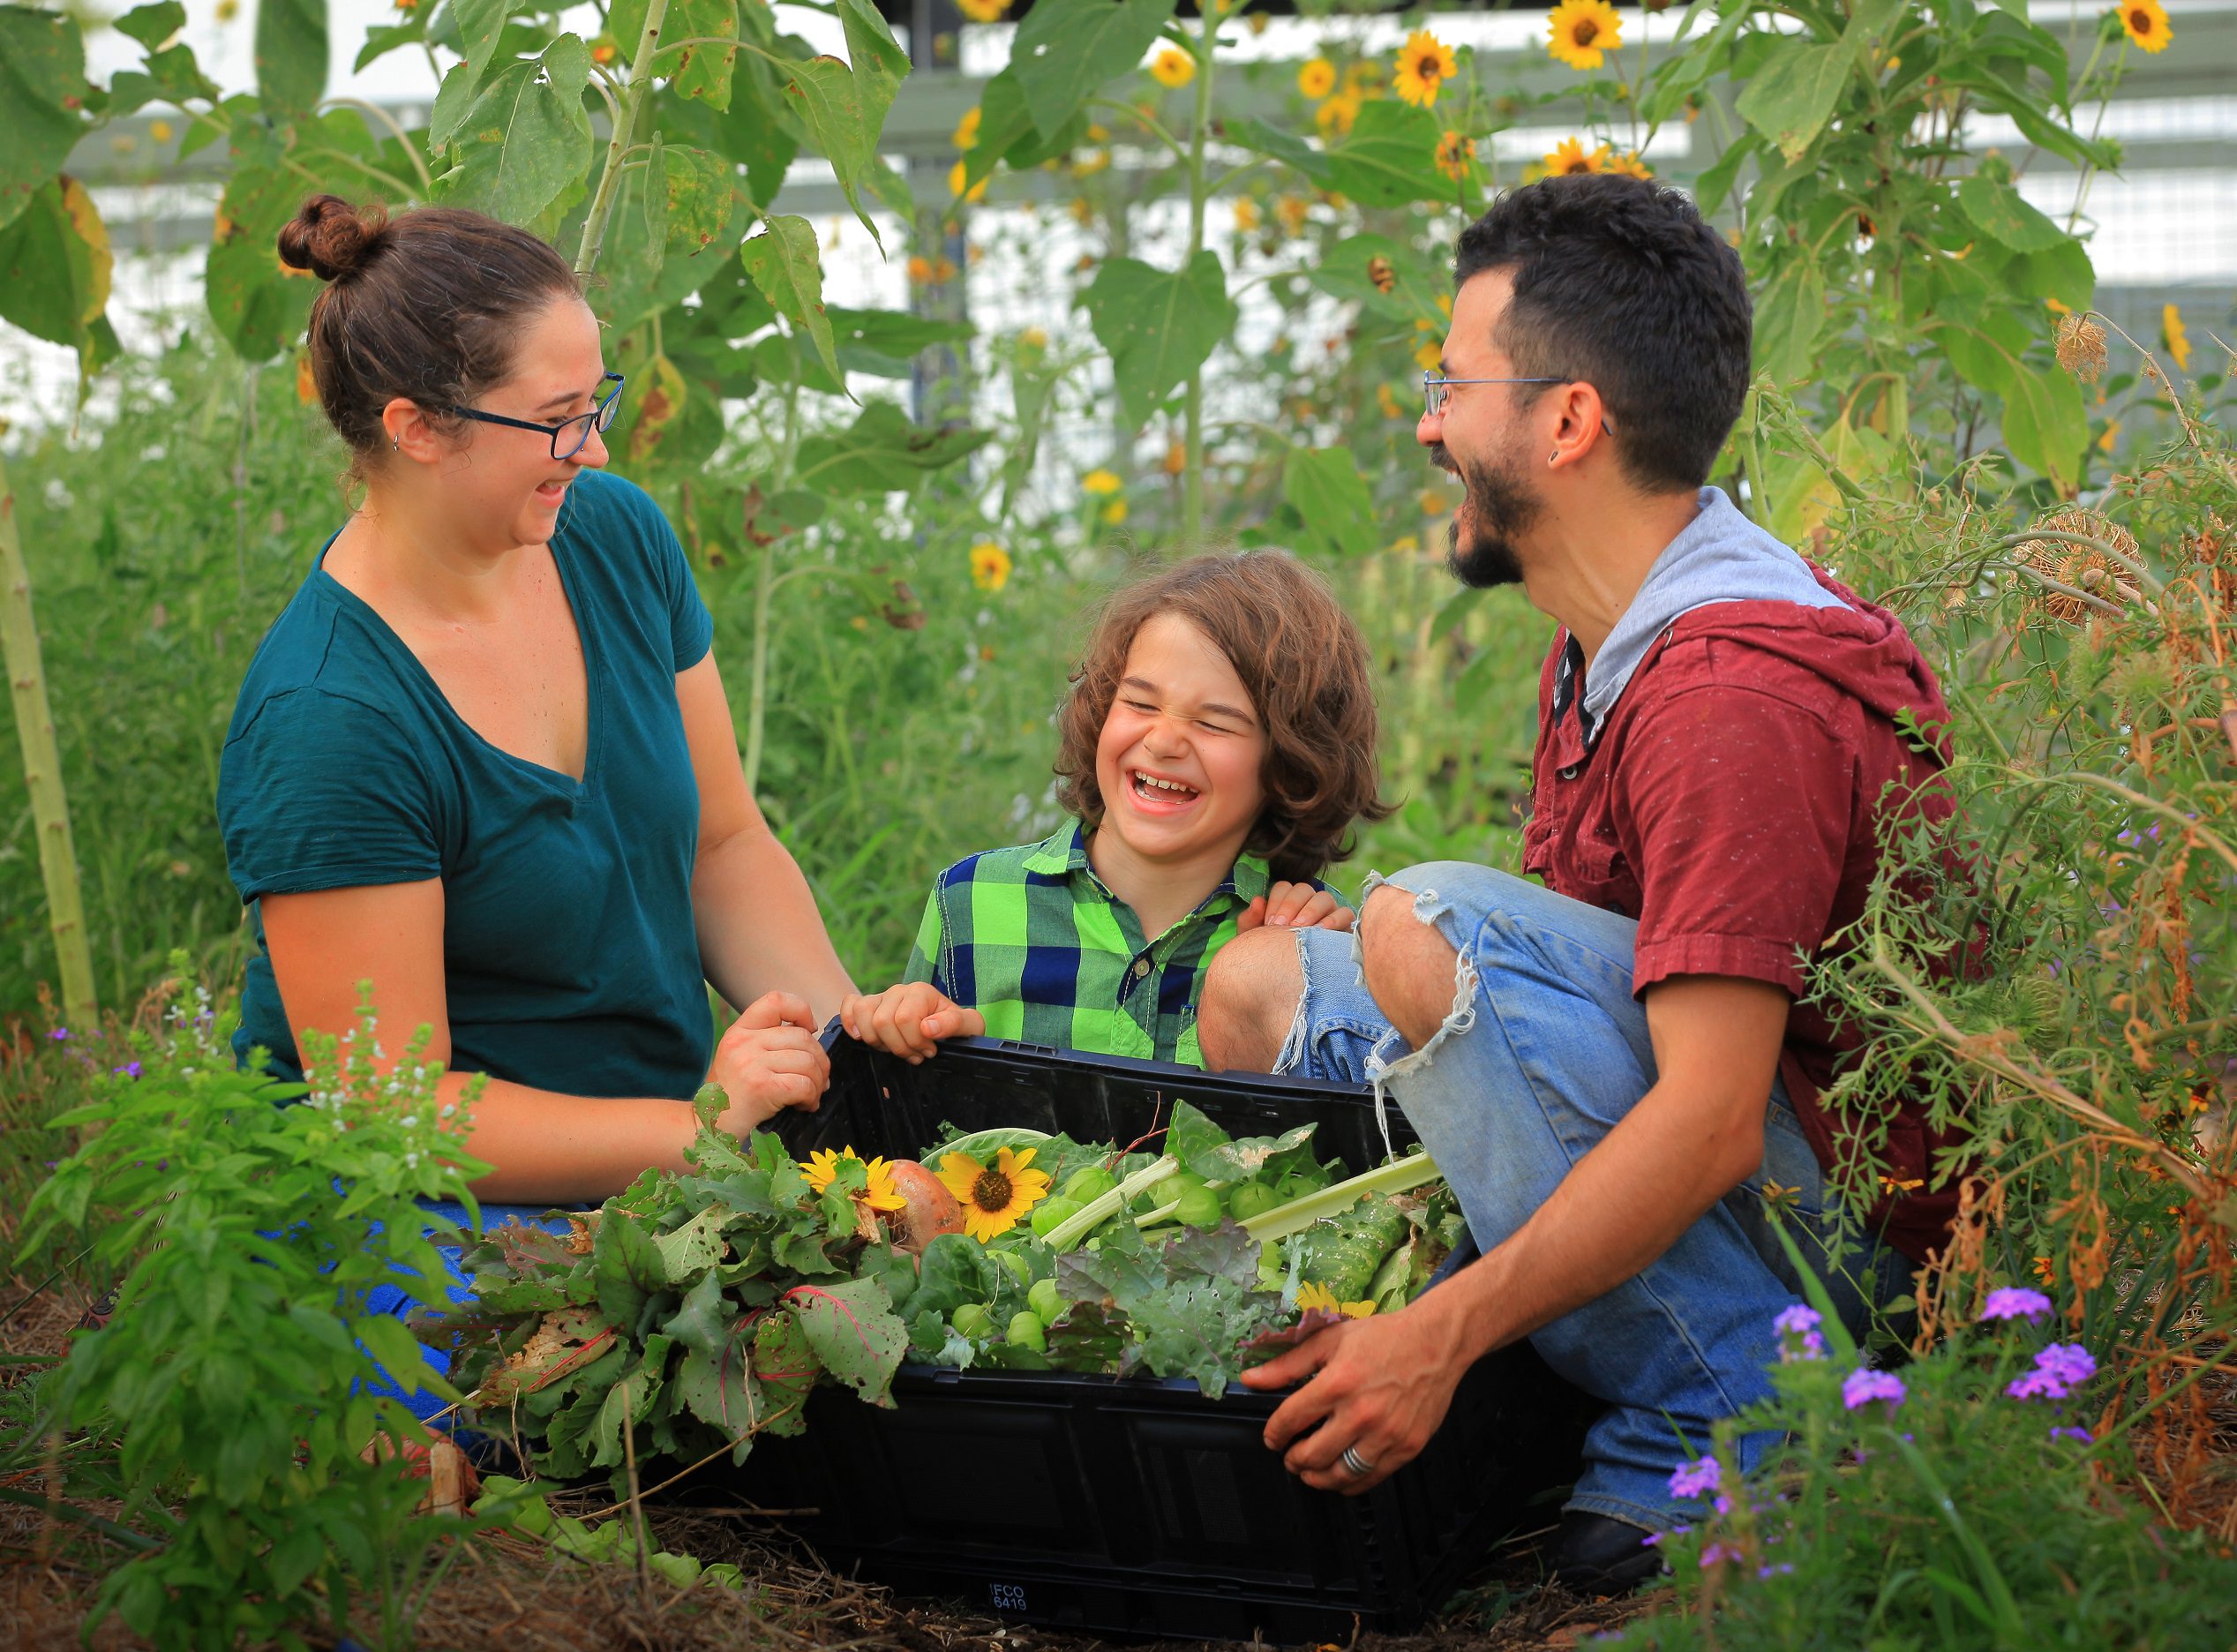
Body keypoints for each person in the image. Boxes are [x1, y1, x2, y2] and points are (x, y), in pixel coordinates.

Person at [1197, 175, 1966, 1588]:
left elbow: (1711, 1121)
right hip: (1742, 1171)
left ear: (1565, 421)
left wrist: (1435, 1338)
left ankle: (1745, 1405)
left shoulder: (1725, 691)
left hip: (1843, 1238)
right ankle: (1555, 1354)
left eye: (1452, 384)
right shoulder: (1606, 645)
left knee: (1424, 923)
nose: (1426, 423)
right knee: (1257, 986)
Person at [218, 196, 853, 1403]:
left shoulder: (611, 537)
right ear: (416, 428)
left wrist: (843, 1029)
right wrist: (700, 1128)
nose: (598, 450)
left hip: (669, 1147)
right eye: (559, 422)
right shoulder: (330, 718)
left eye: (595, 403)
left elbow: (721, 844)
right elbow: (394, 1113)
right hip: (425, 1219)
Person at [841, 552, 1388, 1073]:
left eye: (1214, 723)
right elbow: (907, 1119)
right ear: (1102, 708)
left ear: (1290, 764)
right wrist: (908, 1031)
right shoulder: (972, 900)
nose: (1165, 740)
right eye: (1141, 703)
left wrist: (1300, 978)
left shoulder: (1313, 941)